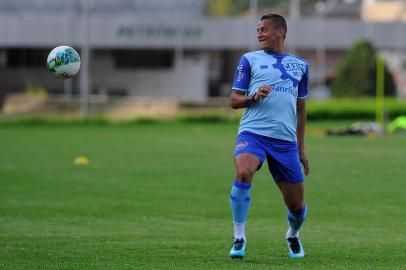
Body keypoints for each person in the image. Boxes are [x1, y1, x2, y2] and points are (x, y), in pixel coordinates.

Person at [228, 13, 310, 259]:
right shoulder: (249, 60)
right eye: (258, 29)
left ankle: (293, 235)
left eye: (263, 29)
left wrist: (301, 148)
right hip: (253, 133)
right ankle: (239, 236)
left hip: (285, 142)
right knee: (244, 171)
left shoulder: (301, 65)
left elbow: (301, 107)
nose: (259, 33)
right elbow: (233, 100)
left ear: (280, 32)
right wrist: (253, 97)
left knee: (297, 207)